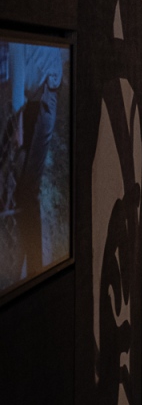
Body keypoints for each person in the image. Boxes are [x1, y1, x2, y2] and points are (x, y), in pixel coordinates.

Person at [7, 40, 65, 278]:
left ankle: (34, 270)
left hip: (44, 95)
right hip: (32, 98)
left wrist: (18, 124)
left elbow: (19, 70)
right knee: (23, 187)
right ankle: (27, 266)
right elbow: (18, 67)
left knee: (28, 187)